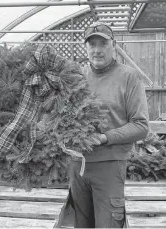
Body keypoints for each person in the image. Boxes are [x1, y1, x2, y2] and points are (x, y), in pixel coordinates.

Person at [69, 22, 149, 228]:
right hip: (77, 167)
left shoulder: (129, 77)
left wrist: (105, 137)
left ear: (113, 45)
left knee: (108, 225)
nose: (97, 50)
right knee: (81, 224)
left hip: (109, 167)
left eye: (103, 44)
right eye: (92, 44)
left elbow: (140, 126)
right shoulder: (76, 77)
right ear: (86, 47)